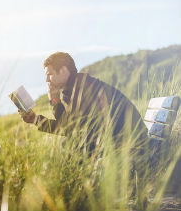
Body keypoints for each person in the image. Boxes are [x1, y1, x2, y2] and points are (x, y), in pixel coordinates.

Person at [18, 52, 149, 162]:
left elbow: (68, 128)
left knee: (72, 146)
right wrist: (36, 118)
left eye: (49, 74)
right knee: (70, 145)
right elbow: (67, 126)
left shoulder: (83, 88)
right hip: (119, 140)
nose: (47, 80)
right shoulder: (72, 89)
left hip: (132, 144)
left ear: (63, 71)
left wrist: (54, 102)